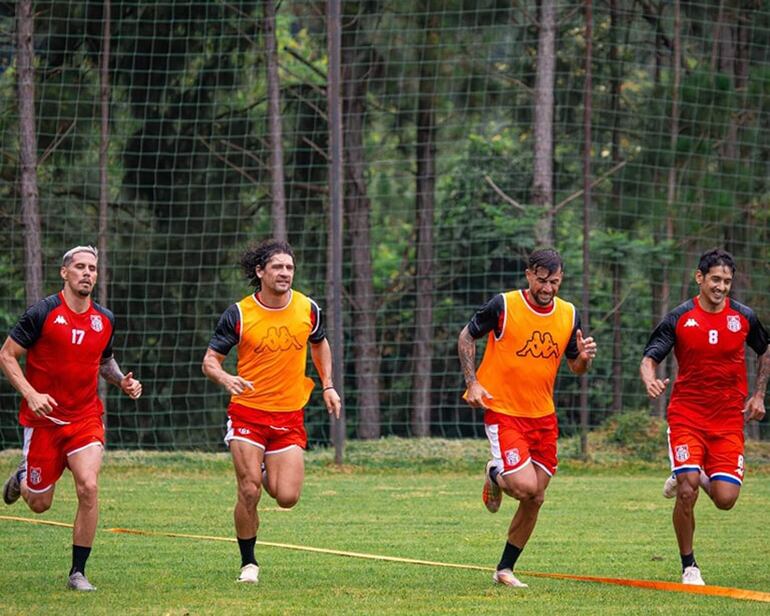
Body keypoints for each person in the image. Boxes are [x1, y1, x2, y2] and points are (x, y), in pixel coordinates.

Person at [1, 245, 142, 592]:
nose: (87, 273)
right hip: (44, 422)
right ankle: (23, 477)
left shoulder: (104, 319)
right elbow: (6, 355)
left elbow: (104, 361)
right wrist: (31, 394)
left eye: (92, 268)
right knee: (39, 503)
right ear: (64, 273)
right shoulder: (42, 313)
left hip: (85, 418)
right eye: (80, 267)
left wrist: (122, 380)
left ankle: (78, 572)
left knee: (89, 486)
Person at [202, 238, 341, 584]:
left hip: (289, 415)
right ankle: (248, 563)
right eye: (277, 267)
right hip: (247, 413)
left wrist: (328, 385)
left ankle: (263, 466)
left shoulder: (308, 309)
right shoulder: (239, 313)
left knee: (287, 497)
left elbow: (320, 343)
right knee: (249, 490)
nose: (285, 273)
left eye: (289, 267)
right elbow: (209, 361)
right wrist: (225, 377)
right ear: (260, 272)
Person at [457, 248, 597, 588]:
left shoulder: (569, 314)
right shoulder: (503, 305)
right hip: (503, 411)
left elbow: (575, 367)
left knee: (537, 496)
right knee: (523, 487)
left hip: (543, 416)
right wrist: (472, 382)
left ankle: (505, 569)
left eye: (555, 282)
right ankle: (495, 470)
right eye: (543, 280)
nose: (548, 288)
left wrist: (586, 359)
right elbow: (466, 336)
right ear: (529, 275)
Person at [640, 248, 769, 586]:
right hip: (687, 416)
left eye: (727, 281)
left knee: (726, 500)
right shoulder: (680, 317)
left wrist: (758, 395)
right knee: (687, 492)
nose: (721, 286)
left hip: (727, 421)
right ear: (700, 278)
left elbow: (765, 348)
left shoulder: (744, 318)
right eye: (715, 279)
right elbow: (650, 357)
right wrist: (649, 379)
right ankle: (689, 566)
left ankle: (690, 472)